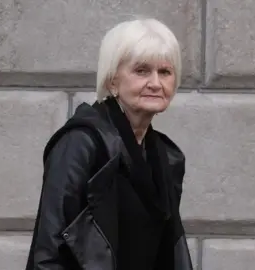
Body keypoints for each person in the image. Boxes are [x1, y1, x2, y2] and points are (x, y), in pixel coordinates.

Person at [25, 17, 193, 270]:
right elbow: (48, 252)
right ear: (112, 80)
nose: (156, 83)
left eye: (165, 72)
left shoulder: (165, 157)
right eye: (142, 70)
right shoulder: (80, 144)